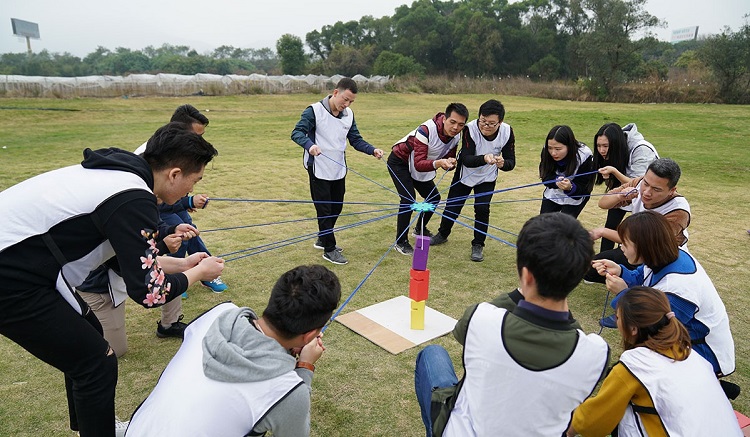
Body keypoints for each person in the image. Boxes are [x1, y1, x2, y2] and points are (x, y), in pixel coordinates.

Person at [0, 122, 224, 436]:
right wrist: (197, 273)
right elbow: (150, 292)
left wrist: (184, 263)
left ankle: (92, 427)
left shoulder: (123, 176)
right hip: (13, 275)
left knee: (89, 337)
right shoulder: (133, 197)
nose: (191, 190)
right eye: (194, 180)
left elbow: (127, 262)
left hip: (27, 266)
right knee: (96, 362)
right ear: (174, 174)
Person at [415, 213, 609, 437]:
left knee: (432, 354)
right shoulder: (596, 353)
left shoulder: (482, 318)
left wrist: (522, 291)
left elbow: (462, 331)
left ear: (526, 276)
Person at [125, 264, 342, 436]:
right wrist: (305, 367)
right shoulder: (289, 391)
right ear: (309, 335)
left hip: (139, 429)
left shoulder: (218, 313)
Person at [567, 286, 742, 437]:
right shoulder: (689, 353)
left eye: (618, 317)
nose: (617, 322)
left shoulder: (634, 365)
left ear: (633, 328)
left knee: (626, 410)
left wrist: (568, 429)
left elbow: (594, 423)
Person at [592, 211, 735, 378]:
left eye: (625, 243)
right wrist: (621, 271)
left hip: (702, 355)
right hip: (681, 343)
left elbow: (652, 330)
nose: (621, 247)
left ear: (644, 245)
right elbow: (642, 276)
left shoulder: (678, 288)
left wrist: (624, 295)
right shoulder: (666, 255)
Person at [291, 77, 384, 266]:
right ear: (335, 92)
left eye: (351, 101)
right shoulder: (314, 111)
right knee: (324, 209)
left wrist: (372, 150)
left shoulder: (348, 115)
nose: (346, 104)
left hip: (338, 168)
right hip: (318, 167)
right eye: (345, 99)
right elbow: (297, 133)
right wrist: (310, 146)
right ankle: (329, 249)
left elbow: (356, 140)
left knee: (337, 207)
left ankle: (323, 237)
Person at [135, 104, 227, 293]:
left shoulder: (176, 150)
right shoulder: (154, 156)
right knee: (177, 236)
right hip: (160, 211)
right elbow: (158, 198)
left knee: (188, 228)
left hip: (169, 207)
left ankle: (201, 271)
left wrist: (186, 202)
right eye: (197, 136)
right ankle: (181, 278)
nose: (200, 141)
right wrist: (188, 202)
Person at [429, 99, 516, 262]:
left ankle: (478, 245)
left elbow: (511, 161)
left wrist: (504, 164)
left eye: (491, 123)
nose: (485, 126)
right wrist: (484, 158)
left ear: (500, 122)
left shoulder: (507, 132)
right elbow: (467, 158)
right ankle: (443, 234)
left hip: (487, 177)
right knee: (452, 206)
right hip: (465, 174)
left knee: (482, 209)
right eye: (483, 121)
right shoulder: (470, 128)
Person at [584, 157, 689, 284]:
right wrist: (619, 196)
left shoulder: (678, 211)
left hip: (660, 257)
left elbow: (643, 243)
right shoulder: (639, 183)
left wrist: (602, 232)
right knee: (590, 269)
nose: (647, 192)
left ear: (672, 190)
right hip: (633, 246)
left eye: (656, 189)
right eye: (646, 183)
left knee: (644, 288)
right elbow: (603, 203)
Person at [388, 103, 468, 256]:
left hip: (422, 165)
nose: (455, 127)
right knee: (408, 199)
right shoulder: (425, 130)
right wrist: (439, 163)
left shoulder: (455, 136)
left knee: (433, 197)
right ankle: (400, 241)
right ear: (444, 119)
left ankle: (419, 229)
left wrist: (450, 164)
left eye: (460, 125)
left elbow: (448, 157)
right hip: (400, 161)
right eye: (452, 122)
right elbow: (419, 164)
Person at [593, 122, 659, 252]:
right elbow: (614, 188)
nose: (601, 150)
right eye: (599, 146)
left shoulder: (642, 150)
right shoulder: (615, 149)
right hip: (625, 190)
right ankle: (603, 258)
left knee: (638, 232)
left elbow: (639, 185)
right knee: (611, 225)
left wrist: (614, 172)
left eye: (605, 146)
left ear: (615, 144)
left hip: (647, 195)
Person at [539, 125, 595, 218]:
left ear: (569, 146)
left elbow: (584, 188)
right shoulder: (546, 150)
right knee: (543, 226)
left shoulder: (585, 155)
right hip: (553, 194)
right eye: (550, 148)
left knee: (564, 228)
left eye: (558, 149)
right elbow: (545, 177)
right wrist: (556, 181)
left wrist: (570, 187)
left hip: (575, 197)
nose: (553, 153)